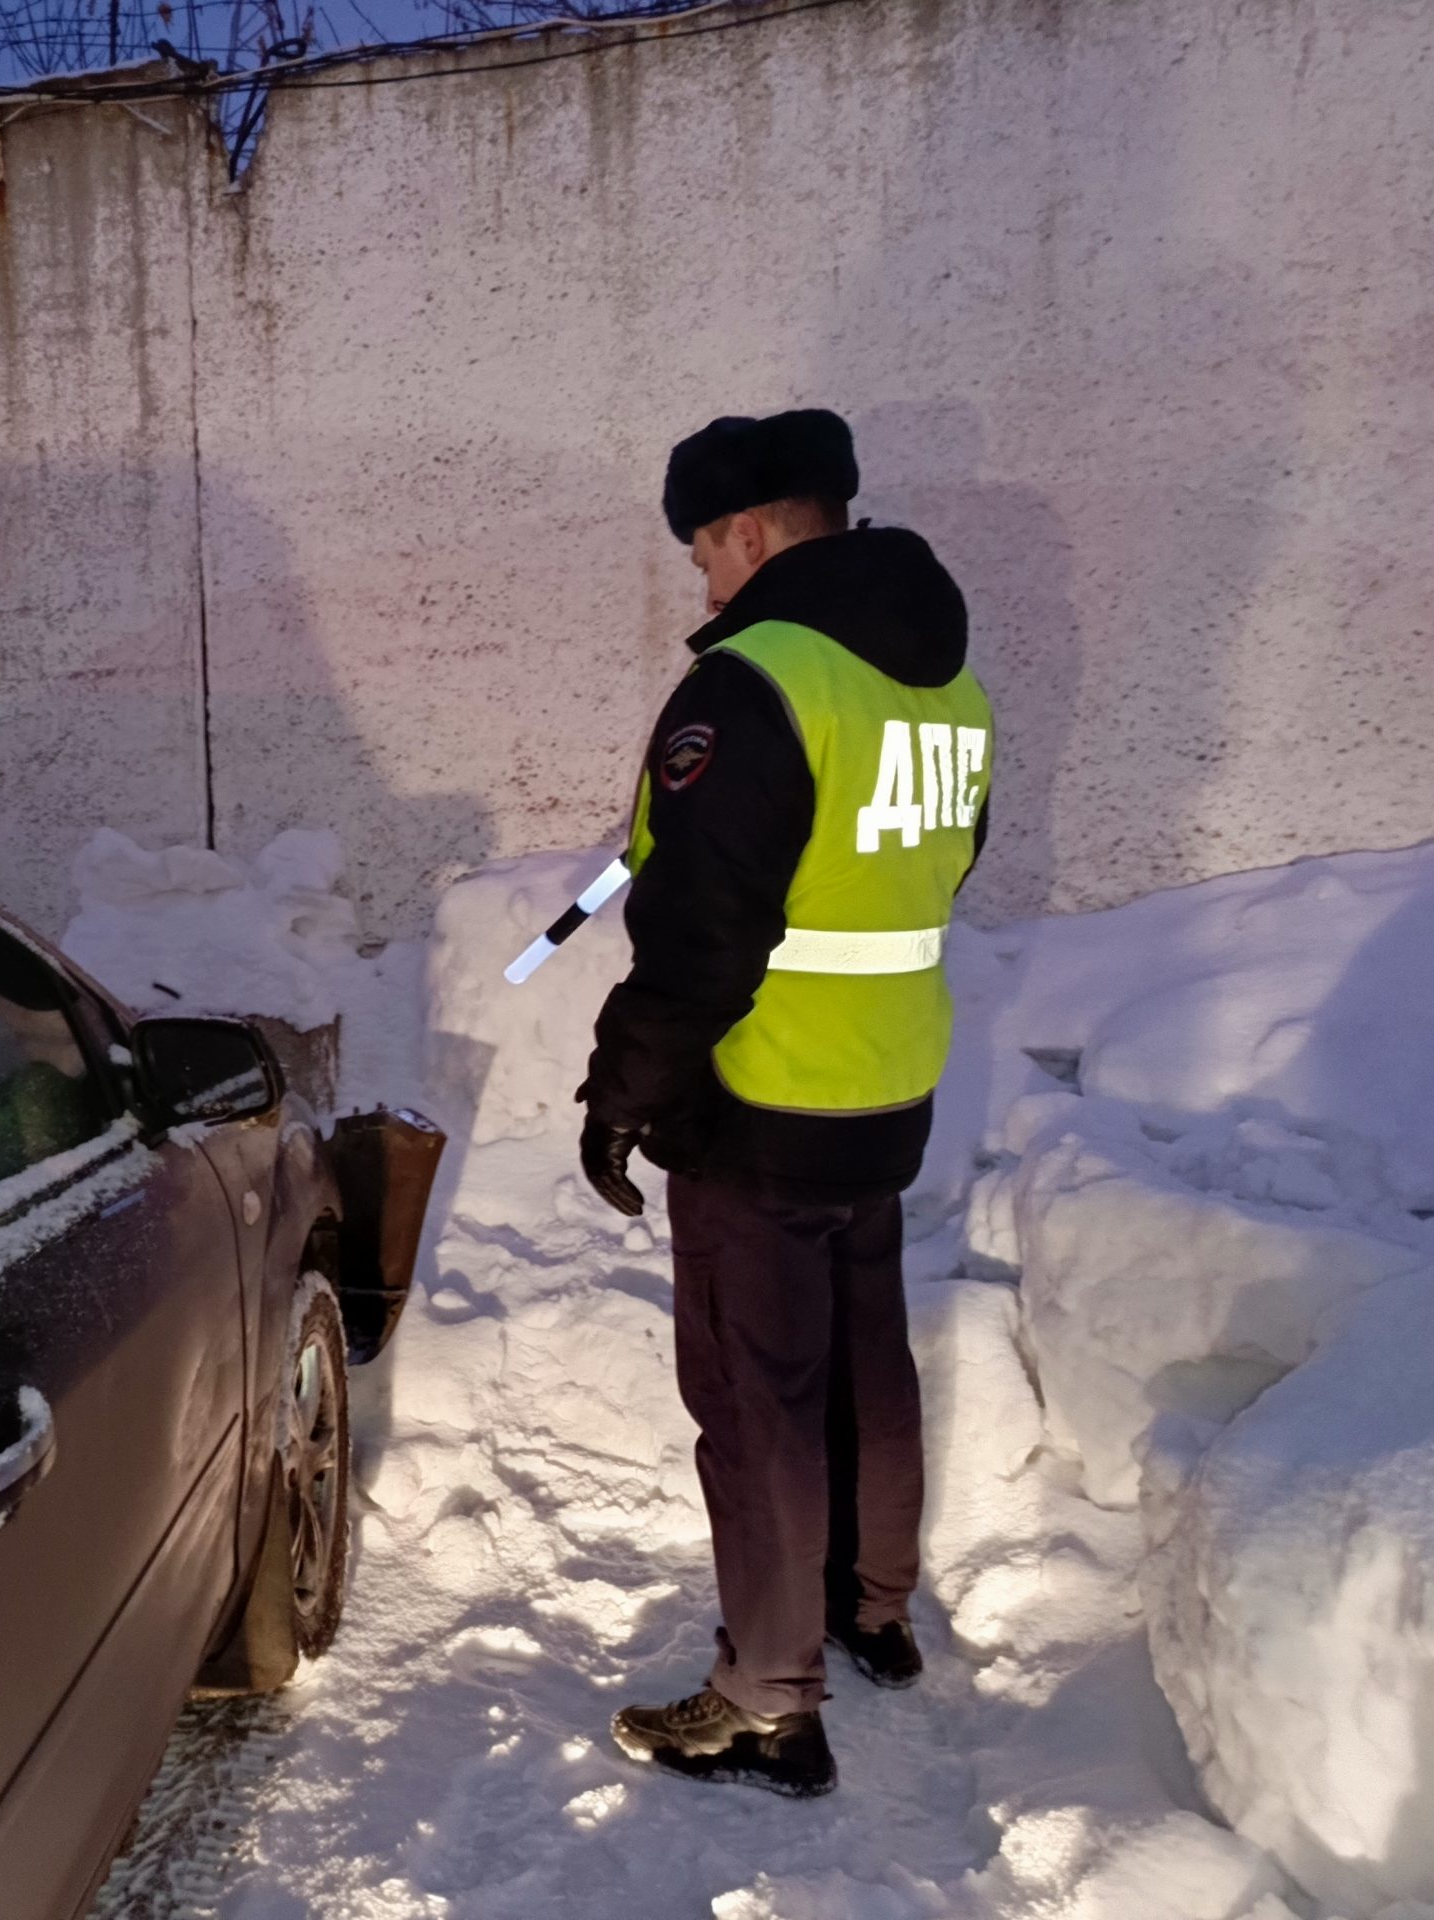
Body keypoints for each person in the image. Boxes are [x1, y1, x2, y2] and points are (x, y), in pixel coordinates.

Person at [580, 409, 993, 1798]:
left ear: (751, 533)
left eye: (703, 548)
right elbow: (935, 871)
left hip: (763, 1101)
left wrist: (622, 1094)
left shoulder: (754, 681)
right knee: (867, 1364)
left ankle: (765, 1701)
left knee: (757, 1397)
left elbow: (703, 932)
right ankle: (871, 1613)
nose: (701, 580)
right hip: (887, 1084)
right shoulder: (946, 687)